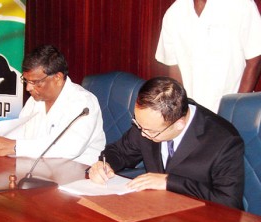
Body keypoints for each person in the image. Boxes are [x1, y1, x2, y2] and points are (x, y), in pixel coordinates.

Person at [89, 76, 244, 209]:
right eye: (138, 124)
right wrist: (104, 164)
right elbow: (120, 152)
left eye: (151, 131)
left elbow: (229, 202)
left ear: (179, 124)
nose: (142, 134)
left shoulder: (224, 140)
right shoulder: (147, 124)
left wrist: (170, 182)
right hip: (155, 213)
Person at [0, 45, 106, 165]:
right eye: (26, 81)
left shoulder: (84, 103)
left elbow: (69, 148)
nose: (28, 88)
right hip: (39, 171)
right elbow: (24, 134)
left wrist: (14, 147)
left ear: (57, 78)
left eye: (35, 82)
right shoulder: (35, 100)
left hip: (79, 176)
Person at [155, 0, 261, 112]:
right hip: (193, 112)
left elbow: (255, 60)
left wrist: (235, 109)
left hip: (231, 110)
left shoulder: (241, 5)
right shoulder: (174, 13)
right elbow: (173, 66)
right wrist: (182, 109)